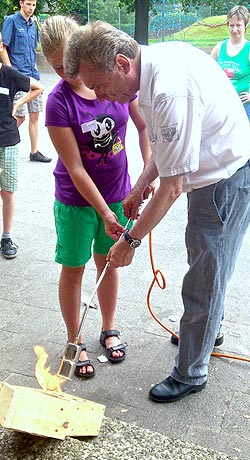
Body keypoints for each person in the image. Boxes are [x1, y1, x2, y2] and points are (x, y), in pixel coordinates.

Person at [63, 21, 250, 401]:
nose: (101, 97)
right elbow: (166, 146)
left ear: (122, 64)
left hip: (226, 181)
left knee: (205, 274)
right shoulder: (153, 65)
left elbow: (171, 187)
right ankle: (208, 331)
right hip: (212, 177)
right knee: (208, 263)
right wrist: (140, 185)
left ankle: (191, 372)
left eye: (100, 85)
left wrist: (129, 241)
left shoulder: (170, 90)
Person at [40, 16, 152, 378]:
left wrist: (148, 170)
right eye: (59, 67)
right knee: (73, 268)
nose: (69, 72)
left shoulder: (114, 82)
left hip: (119, 192)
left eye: (72, 62)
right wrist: (104, 212)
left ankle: (108, 327)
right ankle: (74, 339)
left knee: (109, 262)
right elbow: (75, 168)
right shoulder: (58, 102)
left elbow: (143, 125)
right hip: (77, 202)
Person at [0, 32, 43, 259]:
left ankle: (6, 237)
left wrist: (19, 103)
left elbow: (38, 87)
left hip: (7, 141)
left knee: (7, 192)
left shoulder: (8, 74)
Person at [1, 0, 52, 163]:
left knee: (35, 114)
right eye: (28, 4)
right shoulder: (11, 21)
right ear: (21, 3)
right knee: (18, 116)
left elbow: (31, 49)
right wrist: (10, 73)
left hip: (32, 75)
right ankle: (3, 143)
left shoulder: (33, 24)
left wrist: (35, 68)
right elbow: (3, 48)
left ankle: (34, 151)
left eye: (34, 5)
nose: (31, 8)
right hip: (17, 76)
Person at [210, 5, 250, 121]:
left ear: (246, 25)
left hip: (242, 107)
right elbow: (207, 69)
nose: (234, 29)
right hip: (220, 105)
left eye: (238, 25)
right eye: (231, 25)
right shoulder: (220, 47)